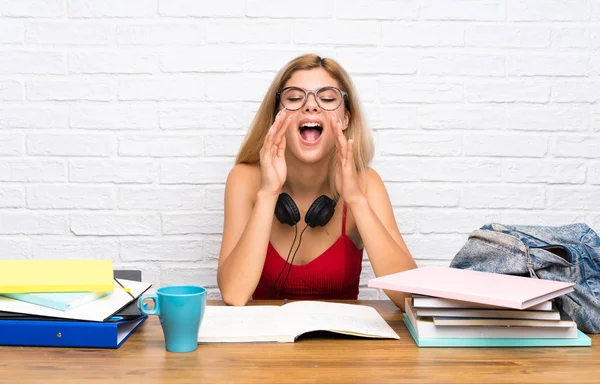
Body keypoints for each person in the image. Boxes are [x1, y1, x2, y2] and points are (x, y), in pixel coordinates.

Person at [217, 54, 417, 309]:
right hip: (265, 345)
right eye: (293, 98)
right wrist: (268, 193)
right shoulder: (244, 179)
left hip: (343, 346)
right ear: (276, 118)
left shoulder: (366, 183)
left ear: (345, 119)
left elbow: (408, 297)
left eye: (327, 98)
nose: (311, 106)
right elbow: (234, 295)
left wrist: (355, 198)